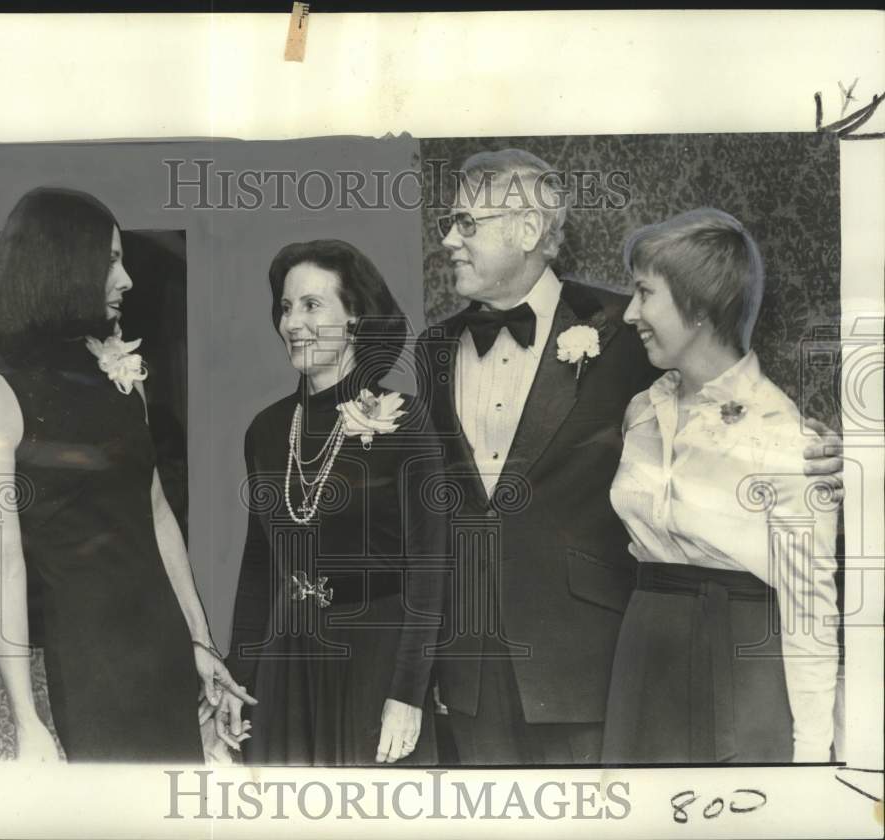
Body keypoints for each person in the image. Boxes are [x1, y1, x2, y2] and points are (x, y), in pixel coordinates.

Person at [415, 148, 844, 765]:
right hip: (473, 673)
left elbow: (726, 387)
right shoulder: (434, 348)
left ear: (528, 231)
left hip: (594, 665)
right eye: (447, 224)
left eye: (466, 223)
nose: (450, 240)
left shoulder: (629, 327)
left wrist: (838, 453)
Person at [0, 187, 252, 763]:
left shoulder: (126, 381)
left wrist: (200, 639)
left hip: (165, 646)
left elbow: (158, 515)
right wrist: (27, 722)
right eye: (111, 261)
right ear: (63, 265)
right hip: (94, 666)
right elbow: (2, 565)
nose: (127, 280)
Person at [602, 208, 840, 763]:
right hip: (643, 652)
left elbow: (811, 612)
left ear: (700, 306)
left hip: (737, 668)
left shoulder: (785, 436)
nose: (630, 312)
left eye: (644, 293)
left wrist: (812, 755)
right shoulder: (642, 409)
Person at [225, 239, 447, 766]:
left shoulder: (405, 419)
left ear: (355, 319)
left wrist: (408, 694)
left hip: (376, 659)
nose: (291, 323)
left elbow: (430, 566)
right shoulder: (267, 429)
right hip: (289, 659)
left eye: (311, 305)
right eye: (284, 307)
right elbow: (260, 566)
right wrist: (240, 680)